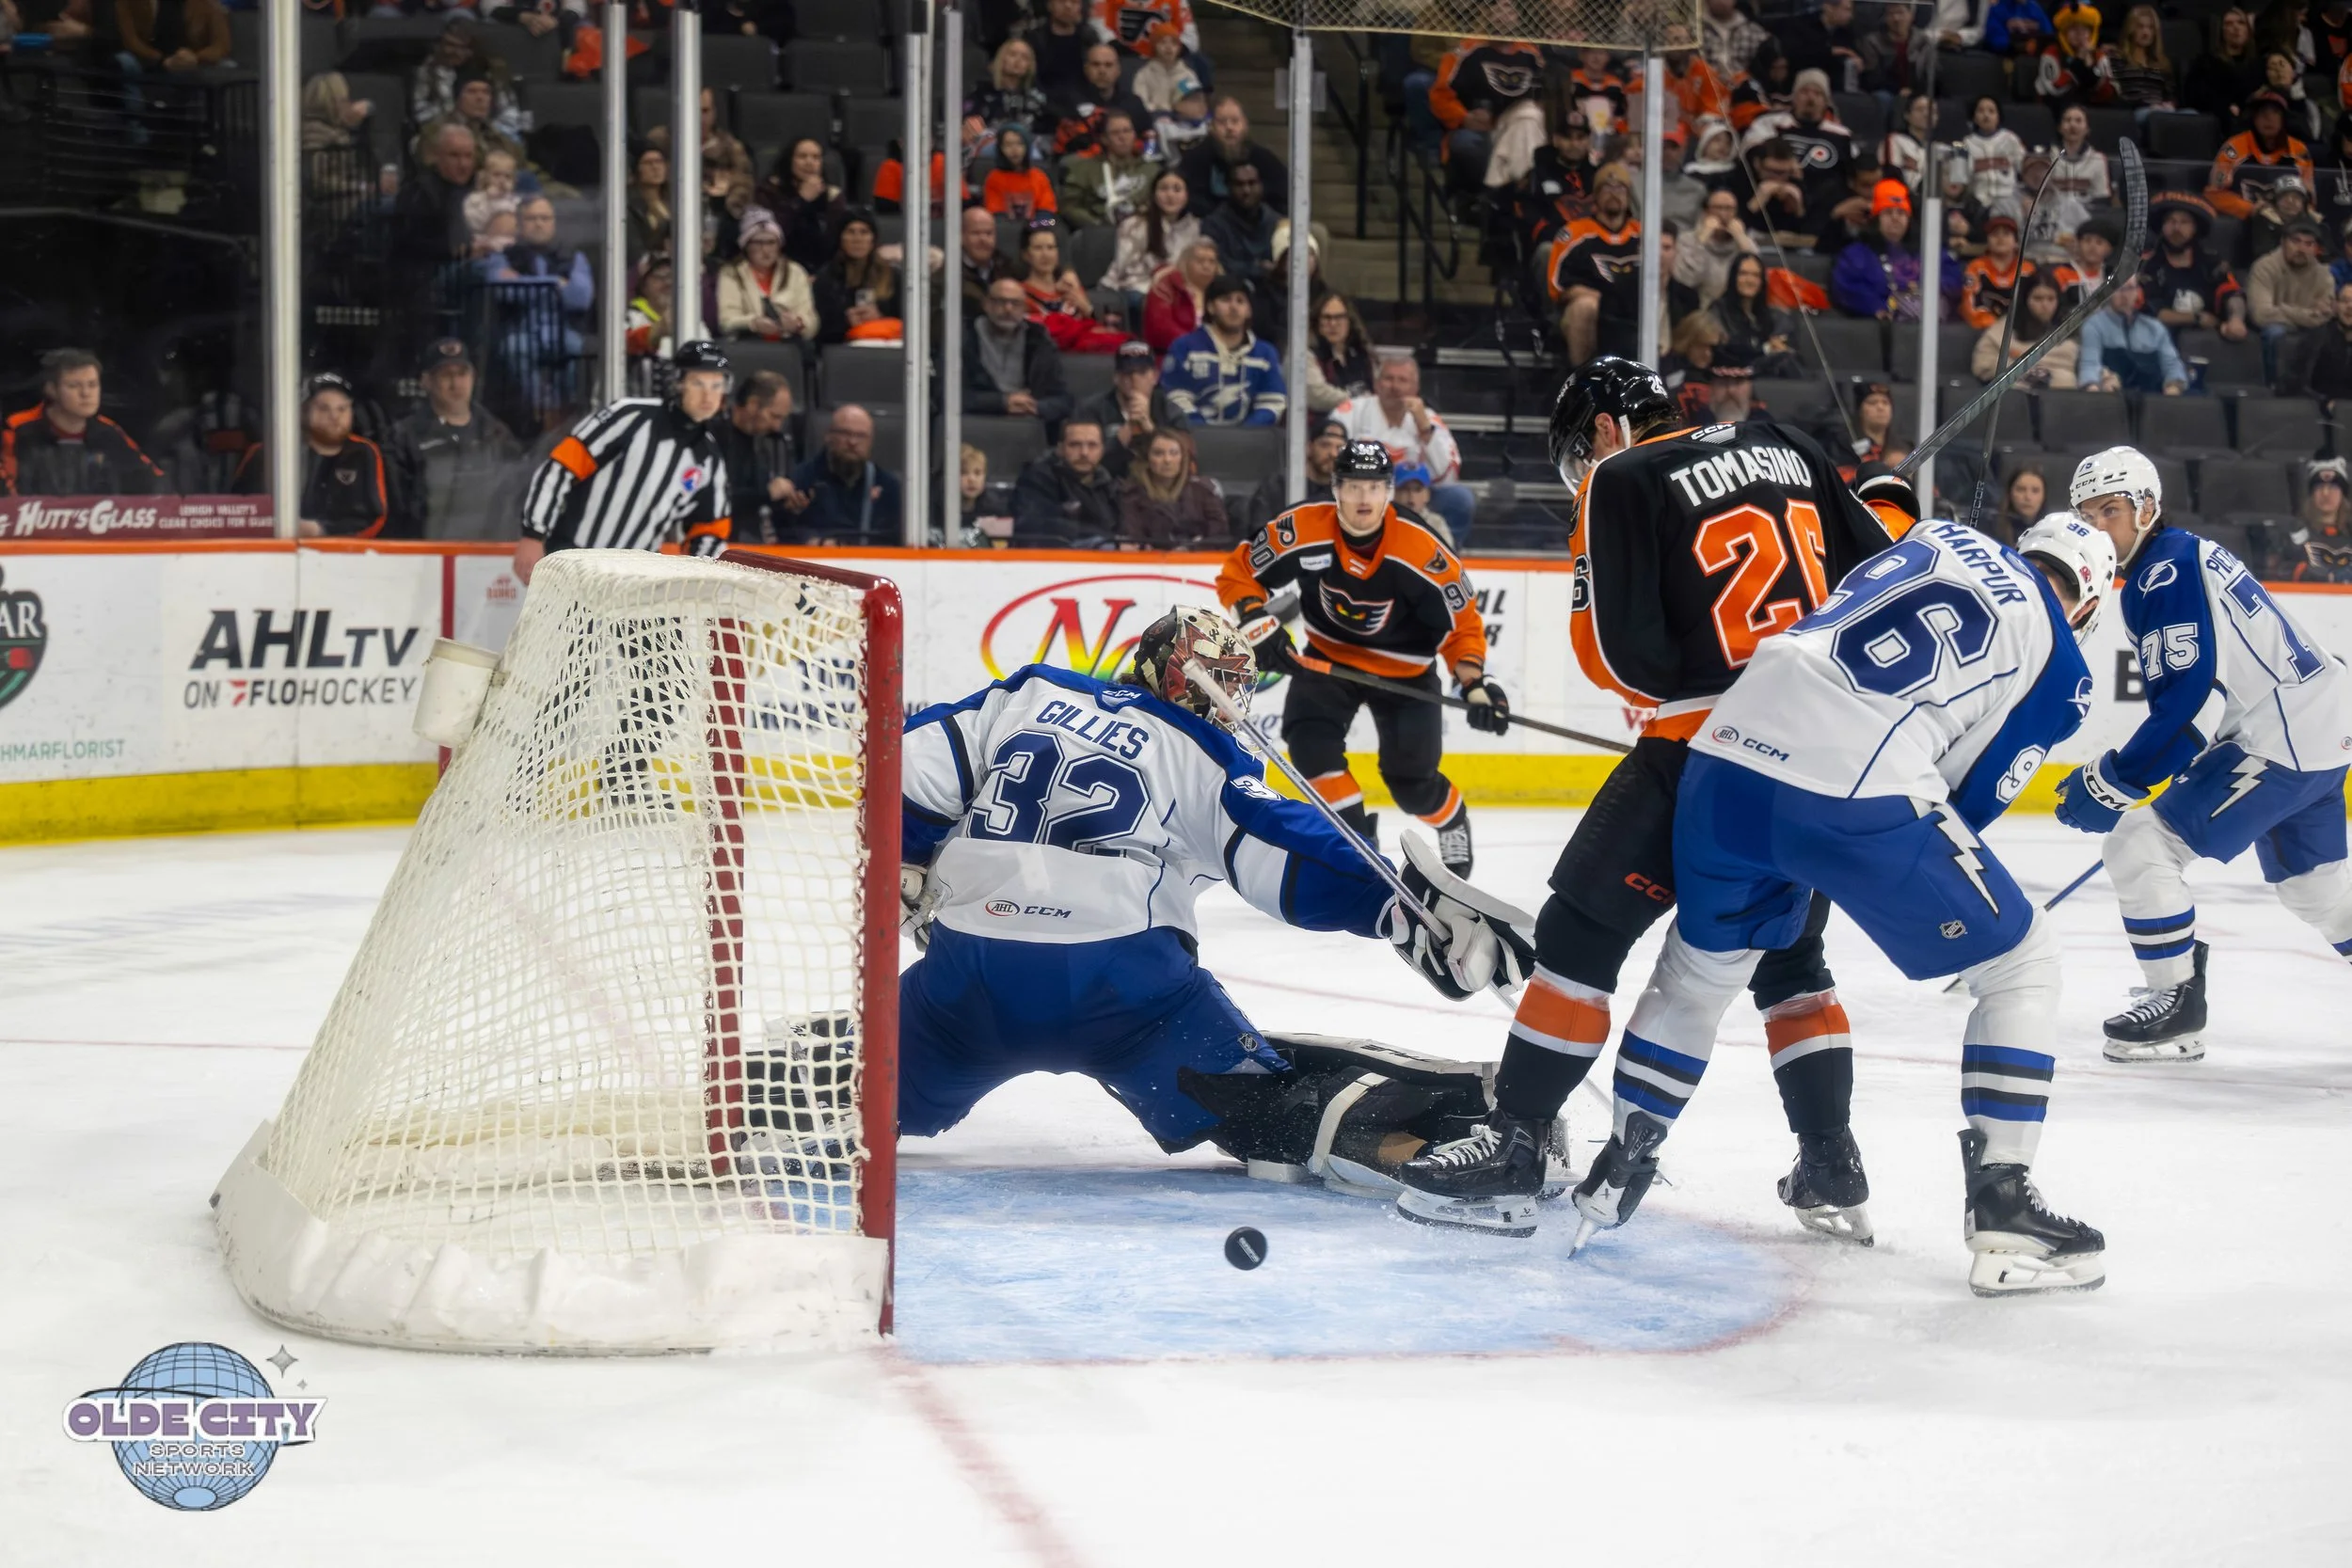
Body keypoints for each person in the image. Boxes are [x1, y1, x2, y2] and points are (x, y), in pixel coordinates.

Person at [1389, 356, 1914, 1239]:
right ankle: (1830, 1158)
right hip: (1814, 758)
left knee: (1579, 935)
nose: (1582, 472)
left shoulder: (1623, 475)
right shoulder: (1788, 441)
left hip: (1698, 752)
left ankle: (1516, 1145)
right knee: (1790, 961)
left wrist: (1695, 648)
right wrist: (1884, 508)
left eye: (1580, 453)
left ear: (1606, 426)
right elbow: (1886, 573)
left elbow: (1617, 660)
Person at [1575, 510, 2114, 1291]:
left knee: (1698, 973)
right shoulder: (2063, 662)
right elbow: (1966, 799)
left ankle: (1621, 1164)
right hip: (1853, 785)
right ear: (2088, 604)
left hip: (1725, 754)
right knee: (2022, 962)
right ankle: (2004, 1199)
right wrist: (1851, 847)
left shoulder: (1936, 535)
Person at [893, 608, 1533, 1196]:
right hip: (1124, 992)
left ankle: (838, 1084)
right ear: (1186, 678)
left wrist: (911, 854)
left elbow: (907, 766)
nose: (1233, 702)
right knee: (1268, 1109)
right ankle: (1439, 1140)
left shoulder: (1029, 693)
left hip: (967, 978)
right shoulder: (1204, 750)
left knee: (866, 1091)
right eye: (1227, 683)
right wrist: (1400, 907)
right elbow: (1281, 847)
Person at [2053, 447, 2352, 1062]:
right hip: (2319, 724)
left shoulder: (2161, 572)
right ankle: (2177, 991)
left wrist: (2118, 779)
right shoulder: (2181, 555)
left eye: (2110, 510)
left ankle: (2176, 1002)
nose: (2098, 527)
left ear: (2147, 507)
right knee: (2315, 890)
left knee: (2139, 843)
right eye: (2086, 516)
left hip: (2281, 738)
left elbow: (2192, 700)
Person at [1217, 439, 1501, 875]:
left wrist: (1475, 684)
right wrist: (1256, 622)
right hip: (1327, 659)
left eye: (1373, 487)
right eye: (1352, 486)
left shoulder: (1424, 552)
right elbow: (1239, 572)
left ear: (1389, 491)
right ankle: (1359, 841)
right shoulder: (1303, 528)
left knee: (1412, 785)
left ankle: (1452, 820)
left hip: (1406, 674)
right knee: (1310, 747)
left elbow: (1461, 626)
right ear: (1335, 488)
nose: (1363, 498)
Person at [512, 341, 732, 579]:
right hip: (572, 561)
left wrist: (700, 578)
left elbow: (710, 530)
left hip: (634, 580)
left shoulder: (710, 460)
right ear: (677, 382)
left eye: (717, 385)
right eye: (698, 383)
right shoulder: (630, 416)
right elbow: (561, 468)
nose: (708, 395)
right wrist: (533, 534)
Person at [385, 339, 523, 540]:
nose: (456, 384)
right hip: (425, 549)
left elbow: (513, 496)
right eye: (446, 375)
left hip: (488, 549)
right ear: (426, 381)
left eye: (462, 374)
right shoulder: (405, 436)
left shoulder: (496, 434)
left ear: (473, 378)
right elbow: (398, 508)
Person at [1333, 356, 1475, 548]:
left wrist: (1425, 430)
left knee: (1459, 499)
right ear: (1376, 383)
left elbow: (1448, 477)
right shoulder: (1350, 412)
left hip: (1412, 495)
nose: (1395, 387)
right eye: (1389, 379)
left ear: (1415, 388)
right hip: (1362, 495)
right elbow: (1329, 460)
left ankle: (1445, 556)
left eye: (1403, 380)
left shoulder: (1429, 419)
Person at [233, 372, 390, 539]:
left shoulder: (364, 452)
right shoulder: (268, 453)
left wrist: (320, 531)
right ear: (303, 411)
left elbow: (375, 517)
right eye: (323, 408)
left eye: (342, 409)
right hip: (272, 550)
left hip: (346, 552)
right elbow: (236, 511)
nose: (335, 417)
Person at [2, 348, 163, 498]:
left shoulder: (108, 431)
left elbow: (154, 483)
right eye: (74, 386)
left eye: (92, 385)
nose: (86, 393)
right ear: (51, 390)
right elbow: (6, 494)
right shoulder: (17, 428)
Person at [1429, 22, 1546, 194]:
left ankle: (1520, 196)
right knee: (1466, 144)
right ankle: (1490, 197)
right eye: (1497, 9)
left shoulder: (1531, 54)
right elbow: (1439, 95)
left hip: (1517, 126)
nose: (1503, 17)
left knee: (1530, 126)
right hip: (1477, 130)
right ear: (1485, 13)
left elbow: (1545, 95)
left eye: (1509, 11)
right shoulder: (1467, 50)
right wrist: (1463, 117)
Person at [1736, 69, 1857, 231]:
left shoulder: (1842, 135)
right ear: (1794, 96)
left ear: (1826, 101)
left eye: (1818, 94)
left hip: (1821, 202)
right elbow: (1750, 155)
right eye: (1804, 92)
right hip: (1775, 190)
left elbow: (1854, 173)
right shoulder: (1770, 123)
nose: (1810, 98)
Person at [1162, 276, 1287, 427]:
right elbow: (1176, 397)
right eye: (1226, 300)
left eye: (1240, 301)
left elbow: (1273, 401)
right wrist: (1202, 431)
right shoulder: (1185, 347)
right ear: (1210, 307)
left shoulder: (1265, 354)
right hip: (1194, 436)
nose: (1234, 307)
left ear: (1249, 311)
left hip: (1250, 439)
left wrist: (1246, 433)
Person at [1549, 162, 1642, 363]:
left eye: (1620, 188)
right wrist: (1605, 300)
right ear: (1595, 196)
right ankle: (1584, 376)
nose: (1614, 194)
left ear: (1629, 196)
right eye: (1607, 188)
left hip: (1633, 308)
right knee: (1585, 306)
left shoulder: (1642, 234)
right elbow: (1558, 286)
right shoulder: (1574, 232)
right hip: (1592, 309)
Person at [778, 403, 901, 544]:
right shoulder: (801, 479)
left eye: (861, 436)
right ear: (828, 436)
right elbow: (784, 530)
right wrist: (810, 540)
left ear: (871, 442)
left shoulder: (888, 486)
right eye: (845, 433)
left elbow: (896, 536)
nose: (852, 442)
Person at [2140, 191, 2249, 341]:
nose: (2176, 228)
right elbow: (2152, 310)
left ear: (2195, 228)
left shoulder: (2212, 262)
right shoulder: (2147, 263)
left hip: (2206, 341)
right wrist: (2196, 318)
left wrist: (2236, 320)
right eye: (2170, 221)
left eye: (2184, 222)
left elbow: (2232, 293)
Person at [965, 276, 1074, 424]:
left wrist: (1034, 406)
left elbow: (1063, 400)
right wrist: (1002, 402)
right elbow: (947, 396)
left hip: (1028, 423)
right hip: (976, 422)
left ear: (1024, 308)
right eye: (1000, 301)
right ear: (986, 304)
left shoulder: (1039, 339)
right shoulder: (963, 337)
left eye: (1015, 303)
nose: (1008, 309)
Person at [708, 368, 798, 546]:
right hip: (716, 540)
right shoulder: (712, 437)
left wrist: (785, 503)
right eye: (774, 416)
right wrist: (767, 493)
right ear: (753, 404)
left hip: (753, 540)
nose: (777, 427)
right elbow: (713, 499)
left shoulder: (766, 442)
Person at [2206, 88, 2315, 221]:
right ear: (2253, 118)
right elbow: (2214, 194)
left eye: (2275, 112)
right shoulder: (2234, 147)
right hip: (2245, 220)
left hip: (2289, 220)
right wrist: (2251, 210)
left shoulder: (2299, 150)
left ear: (2284, 118)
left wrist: (2292, 212)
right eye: (2262, 112)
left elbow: (2309, 198)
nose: (2268, 118)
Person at [1080, 340, 1181, 480]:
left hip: (1158, 485)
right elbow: (1086, 464)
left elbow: (1186, 462)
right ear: (1116, 378)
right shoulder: (1090, 410)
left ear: (1155, 377)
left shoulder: (1171, 411)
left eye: (1142, 372)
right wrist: (1126, 431)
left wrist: (1150, 430)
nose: (1134, 379)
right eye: (1127, 373)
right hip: (1107, 486)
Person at [2249, 217, 2334, 382]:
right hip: (2275, 329)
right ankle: (2273, 386)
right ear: (2283, 242)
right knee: (2275, 332)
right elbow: (2261, 315)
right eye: (2296, 241)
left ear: (2316, 248)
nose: (2301, 249)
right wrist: (2308, 315)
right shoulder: (2265, 267)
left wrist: (2282, 309)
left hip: (2310, 330)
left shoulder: (2324, 274)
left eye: (2309, 244)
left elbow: (2325, 317)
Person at [1175, 97, 1291, 217]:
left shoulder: (1264, 160)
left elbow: (1283, 198)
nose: (1229, 128)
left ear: (1245, 125)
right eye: (1222, 122)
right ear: (1212, 127)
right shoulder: (1196, 159)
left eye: (1235, 121)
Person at [715, 208, 817, 342]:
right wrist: (753, 323)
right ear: (746, 245)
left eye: (771, 242)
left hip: (788, 346)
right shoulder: (731, 273)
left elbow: (811, 320)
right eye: (758, 243)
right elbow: (726, 321)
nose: (766, 250)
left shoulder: (795, 272)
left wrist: (798, 323)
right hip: (747, 346)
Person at [1109, 426, 1221, 546]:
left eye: (1174, 453)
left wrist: (1192, 549)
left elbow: (1220, 533)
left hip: (1197, 556)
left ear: (1183, 458)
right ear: (1148, 458)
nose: (1167, 460)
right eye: (1158, 453)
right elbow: (1131, 535)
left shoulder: (1203, 491)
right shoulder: (1131, 495)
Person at [1832, 179, 1925, 321]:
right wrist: (1877, 306)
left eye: (1901, 212)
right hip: (1878, 326)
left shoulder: (1925, 253)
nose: (1895, 218)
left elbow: (1950, 281)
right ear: (1876, 219)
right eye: (1888, 212)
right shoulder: (1856, 255)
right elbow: (1846, 288)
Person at [1104, 168, 1200, 305]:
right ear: (1154, 194)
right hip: (1138, 288)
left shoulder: (1195, 227)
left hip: (1178, 290)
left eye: (1177, 190)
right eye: (1163, 189)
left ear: (1187, 195)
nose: (1170, 195)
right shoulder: (1135, 225)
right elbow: (1125, 271)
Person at [755, 138, 848, 276]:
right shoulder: (769, 192)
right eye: (802, 156)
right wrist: (801, 200)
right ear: (790, 160)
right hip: (779, 268)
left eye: (816, 157)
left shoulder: (832, 196)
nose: (809, 162)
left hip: (821, 271)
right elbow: (770, 234)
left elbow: (836, 241)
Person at [1975, 273, 2081, 390]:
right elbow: (1984, 362)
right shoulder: (2005, 327)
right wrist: (2025, 372)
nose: (2045, 305)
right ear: (2026, 300)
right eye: (2038, 298)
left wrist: (2022, 359)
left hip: (2058, 392)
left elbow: (2070, 359)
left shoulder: (2069, 328)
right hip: (2012, 391)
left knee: (2065, 379)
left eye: (2051, 299)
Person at [1059, 109, 1160, 229]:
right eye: (1115, 133)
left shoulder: (1151, 169)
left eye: (1127, 131)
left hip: (1144, 229)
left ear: (1134, 135)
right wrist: (1097, 225)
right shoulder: (1085, 169)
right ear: (1104, 139)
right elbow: (1069, 207)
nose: (1122, 137)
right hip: (1102, 230)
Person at [812, 210, 902, 344]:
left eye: (864, 232)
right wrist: (845, 321)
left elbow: (909, 318)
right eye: (851, 232)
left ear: (873, 239)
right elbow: (818, 327)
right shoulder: (827, 277)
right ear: (841, 239)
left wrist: (880, 315)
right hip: (842, 347)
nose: (857, 239)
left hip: (887, 342)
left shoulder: (893, 275)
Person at [1049, 41, 1151, 159]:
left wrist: (1145, 156)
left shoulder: (1134, 103)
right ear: (1086, 69)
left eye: (1108, 65)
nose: (1102, 71)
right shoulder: (1068, 102)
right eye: (1096, 65)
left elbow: (1149, 139)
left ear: (1118, 70)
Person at [1243, 416, 1343, 532]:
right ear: (1309, 447)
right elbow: (1258, 533)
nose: (1333, 454)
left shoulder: (1345, 492)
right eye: (1325, 445)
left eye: (1340, 448)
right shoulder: (1277, 487)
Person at [1708, 252, 1798, 375]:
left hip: (1764, 370)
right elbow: (1725, 350)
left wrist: (1779, 346)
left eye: (1756, 275)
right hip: (1733, 372)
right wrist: (1767, 348)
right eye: (1743, 274)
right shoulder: (1717, 311)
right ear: (1733, 277)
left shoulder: (1769, 315)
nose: (1750, 280)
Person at [1201, 160, 1280, 293]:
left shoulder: (1277, 223)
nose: (1246, 190)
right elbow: (1217, 265)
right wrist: (1258, 269)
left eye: (1252, 183)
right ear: (1228, 187)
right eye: (1239, 184)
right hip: (1229, 292)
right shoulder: (1213, 224)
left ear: (1262, 185)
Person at [1677, 186, 1758, 306]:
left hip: (1735, 308)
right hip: (1697, 307)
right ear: (1705, 212)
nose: (1723, 214)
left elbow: (1757, 277)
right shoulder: (1687, 240)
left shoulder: (1745, 243)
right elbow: (1687, 279)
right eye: (1718, 208)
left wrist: (1741, 238)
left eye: (1729, 209)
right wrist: (1702, 238)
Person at [2183, 6, 2265, 122]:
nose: (2236, 27)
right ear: (2221, 31)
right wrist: (2225, 107)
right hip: (2219, 119)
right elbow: (2195, 95)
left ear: (2248, 30)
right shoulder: (2206, 62)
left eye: (2241, 23)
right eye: (2229, 24)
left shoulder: (2258, 64)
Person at [1142, 235, 1220, 354]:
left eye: (1212, 262)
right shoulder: (1165, 285)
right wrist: (1196, 344)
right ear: (1186, 262)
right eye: (1200, 261)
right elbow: (1160, 330)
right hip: (1173, 354)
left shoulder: (1223, 290)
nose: (1206, 266)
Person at [2035, 1, 2118, 108]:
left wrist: (2091, 68)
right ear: (2064, 33)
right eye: (2073, 29)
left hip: (2093, 110)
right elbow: (2052, 91)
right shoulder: (2051, 53)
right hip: (2056, 109)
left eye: (2085, 29)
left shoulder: (2099, 56)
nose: (2080, 34)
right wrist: (2077, 64)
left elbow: (2109, 93)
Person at [966, 38, 1052, 140]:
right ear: (1002, 59)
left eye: (1024, 57)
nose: (1018, 60)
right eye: (1012, 54)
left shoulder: (1037, 98)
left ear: (1030, 65)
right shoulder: (982, 92)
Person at [1961, 213, 2033, 330]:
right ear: (1987, 240)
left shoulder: (2028, 269)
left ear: (2016, 242)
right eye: (1995, 234)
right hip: (1982, 330)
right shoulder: (1975, 267)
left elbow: (2033, 304)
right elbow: (1969, 304)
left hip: (2020, 330)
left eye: (2006, 233)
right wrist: (1993, 324)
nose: (2000, 238)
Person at [1306, 293, 1376, 414]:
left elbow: (1377, 387)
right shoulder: (1305, 355)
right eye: (1327, 318)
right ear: (1316, 321)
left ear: (1349, 321)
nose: (1333, 324)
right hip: (1321, 422)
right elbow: (1317, 396)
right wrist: (1360, 400)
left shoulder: (1362, 353)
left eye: (1339, 317)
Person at [2283, 278, 2352, 398]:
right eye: (2345, 301)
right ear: (2335, 305)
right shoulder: (2316, 339)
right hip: (2317, 404)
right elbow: (2292, 383)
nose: (2350, 306)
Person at [1962, 96, 2029, 213]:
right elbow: (1964, 178)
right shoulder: (1967, 143)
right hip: (1979, 201)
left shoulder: (2010, 139)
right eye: (1981, 111)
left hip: (2009, 198)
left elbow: (2025, 169)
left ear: (1998, 116)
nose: (1986, 115)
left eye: (1991, 111)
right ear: (1974, 117)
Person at [2109, 4, 2176, 108]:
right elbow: (2116, 96)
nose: (2146, 33)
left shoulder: (2162, 64)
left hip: (2162, 111)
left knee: (2190, 113)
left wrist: (2169, 105)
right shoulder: (2117, 60)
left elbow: (2170, 95)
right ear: (2131, 30)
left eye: (2150, 28)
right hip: (2134, 111)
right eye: (2140, 27)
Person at [959, 442, 1018, 542]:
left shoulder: (997, 511)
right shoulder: (936, 513)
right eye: (964, 472)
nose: (972, 479)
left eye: (977, 473)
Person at [1993, 463, 2048, 543]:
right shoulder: (1991, 528)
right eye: (2021, 489)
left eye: (2035, 490)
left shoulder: (2053, 529)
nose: (2028, 497)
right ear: (2009, 493)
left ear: (2044, 495)